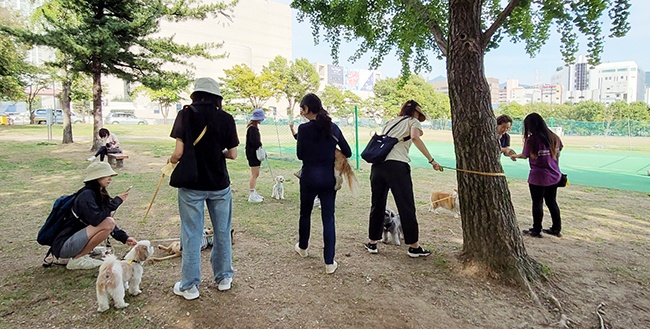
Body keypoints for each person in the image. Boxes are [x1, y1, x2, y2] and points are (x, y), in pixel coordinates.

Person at [168, 77, 239, 300]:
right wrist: (219, 154)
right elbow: (234, 154)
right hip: (219, 184)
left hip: (192, 184)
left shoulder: (185, 114)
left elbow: (178, 153)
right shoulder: (226, 118)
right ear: (217, 97)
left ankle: (189, 286)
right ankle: (224, 278)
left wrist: (170, 160)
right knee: (222, 231)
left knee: (191, 234)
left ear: (196, 95)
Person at [364, 100, 442, 257]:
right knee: (406, 205)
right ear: (416, 113)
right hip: (398, 167)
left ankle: (372, 242)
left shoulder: (391, 122)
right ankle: (414, 246)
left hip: (378, 166)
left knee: (377, 204)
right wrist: (431, 160)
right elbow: (414, 137)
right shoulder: (412, 121)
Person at [294, 93, 352, 274]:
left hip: (309, 177)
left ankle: (303, 248)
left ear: (308, 109)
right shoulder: (333, 128)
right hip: (328, 179)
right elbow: (348, 151)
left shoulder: (303, 130)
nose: (301, 112)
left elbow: (300, 155)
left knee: (305, 214)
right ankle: (329, 262)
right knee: (328, 218)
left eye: (302, 108)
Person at [52, 161, 137, 270]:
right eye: (107, 175)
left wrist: (124, 238)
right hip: (64, 245)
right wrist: (115, 202)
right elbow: (98, 220)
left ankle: (84, 252)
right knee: (108, 222)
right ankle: (78, 259)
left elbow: (104, 221)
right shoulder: (86, 195)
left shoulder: (98, 193)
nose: (110, 178)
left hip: (72, 241)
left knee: (108, 222)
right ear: (97, 177)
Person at [510, 112, 563, 238]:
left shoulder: (532, 140)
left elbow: (525, 155)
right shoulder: (554, 137)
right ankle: (556, 228)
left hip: (538, 177)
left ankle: (536, 229)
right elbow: (559, 152)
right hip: (554, 175)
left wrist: (514, 155)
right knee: (552, 202)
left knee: (537, 202)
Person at [245, 109, 266, 203]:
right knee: (255, 174)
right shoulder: (253, 129)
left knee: (256, 174)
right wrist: (260, 145)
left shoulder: (253, 127)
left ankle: (254, 192)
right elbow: (255, 142)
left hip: (252, 153)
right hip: (253, 154)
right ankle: (252, 194)